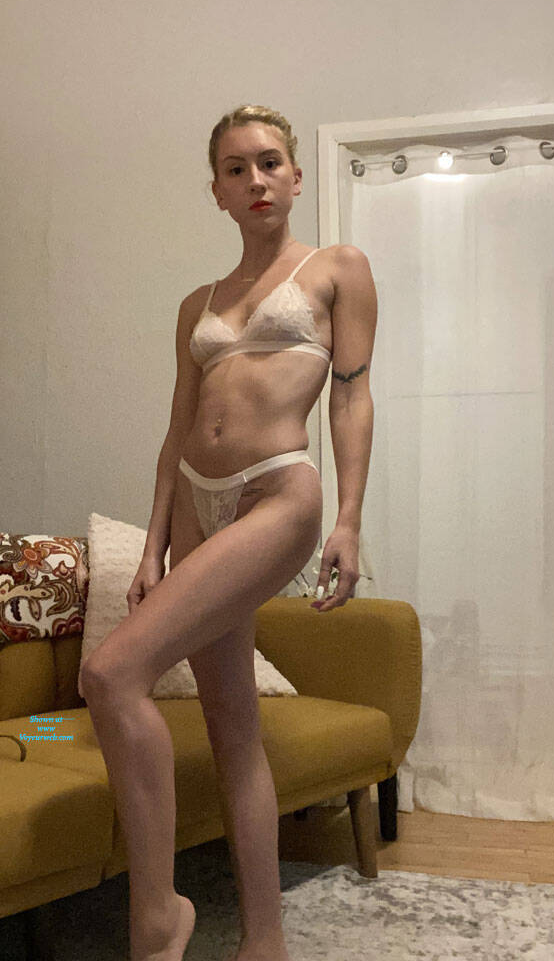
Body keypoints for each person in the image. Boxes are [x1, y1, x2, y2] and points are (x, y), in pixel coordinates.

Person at [79, 104, 378, 961]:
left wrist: (348, 519)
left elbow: (352, 396)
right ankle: (264, 941)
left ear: (295, 176)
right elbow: (177, 431)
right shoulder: (197, 305)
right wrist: (152, 546)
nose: (255, 179)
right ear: (215, 190)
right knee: (233, 732)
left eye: (269, 162)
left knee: (110, 673)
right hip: (195, 501)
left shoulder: (337, 268)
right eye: (235, 168)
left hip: (278, 491)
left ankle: (156, 918)